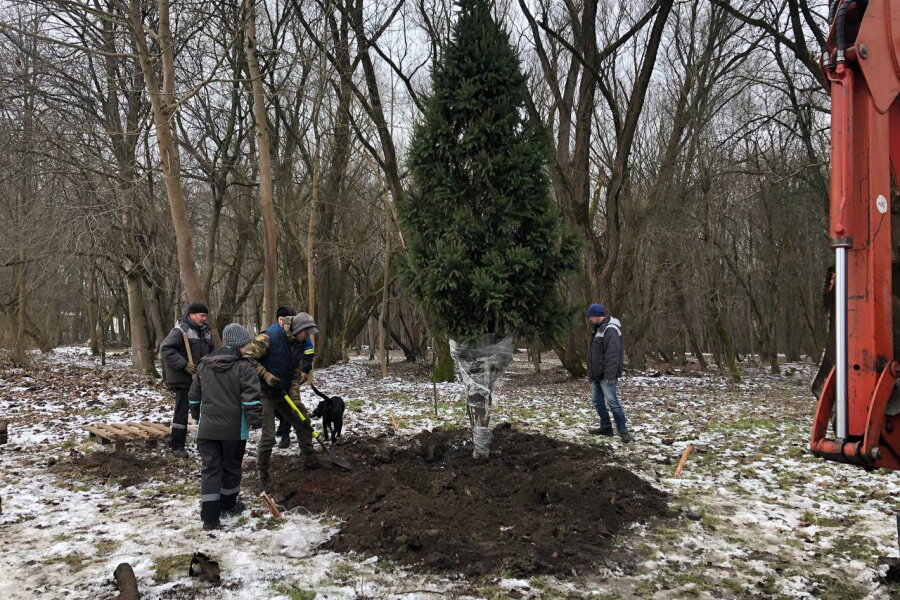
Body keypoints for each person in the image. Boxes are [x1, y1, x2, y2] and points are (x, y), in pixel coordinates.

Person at [188, 323, 263, 530]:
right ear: (240, 344)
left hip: (207, 430)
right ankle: (228, 505)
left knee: (210, 470)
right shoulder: (244, 367)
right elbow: (251, 399)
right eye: (247, 343)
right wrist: (257, 421)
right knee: (231, 467)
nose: (249, 346)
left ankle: (210, 518)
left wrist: (197, 415)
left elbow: (194, 396)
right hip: (233, 430)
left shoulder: (204, 364)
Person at [242, 312, 320, 483]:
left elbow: (295, 372)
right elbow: (246, 358)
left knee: (303, 422)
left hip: (283, 391)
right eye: (305, 333)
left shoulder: (298, 344)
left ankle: (310, 460)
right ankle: (263, 475)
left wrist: (295, 397)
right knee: (269, 435)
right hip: (263, 392)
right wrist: (266, 375)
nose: (307, 337)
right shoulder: (268, 338)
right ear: (297, 329)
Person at [160, 302, 214, 458]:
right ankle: (177, 445)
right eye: (201, 315)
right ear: (191, 315)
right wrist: (183, 364)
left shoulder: (206, 331)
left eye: (205, 316)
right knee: (182, 412)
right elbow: (165, 349)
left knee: (205, 410)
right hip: (184, 379)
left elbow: (210, 353)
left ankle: (204, 442)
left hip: (201, 378)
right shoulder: (180, 330)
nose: (204, 318)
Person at [586, 303, 632, 443]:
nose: (589, 320)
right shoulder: (599, 328)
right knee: (597, 401)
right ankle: (606, 427)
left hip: (606, 375)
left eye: (590, 317)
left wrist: (610, 375)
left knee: (613, 402)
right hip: (597, 374)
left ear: (596, 315)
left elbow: (613, 355)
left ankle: (623, 430)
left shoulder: (610, 329)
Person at [271, 306, 314, 449]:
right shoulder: (272, 334)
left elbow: (308, 352)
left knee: (292, 407)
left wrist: (305, 369)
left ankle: (286, 433)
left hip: (290, 380)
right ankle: (277, 430)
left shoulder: (301, 337)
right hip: (271, 384)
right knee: (277, 409)